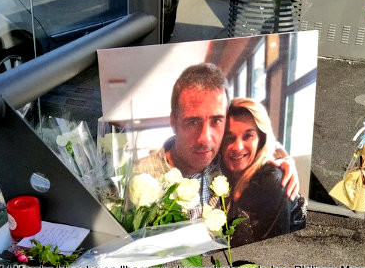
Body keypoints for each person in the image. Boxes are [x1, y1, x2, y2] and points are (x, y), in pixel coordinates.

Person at [132, 63, 300, 218]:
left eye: (216, 121)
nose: (205, 138)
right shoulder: (139, 177)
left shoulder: (226, 159)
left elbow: (258, 141)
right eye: (193, 122)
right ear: (173, 122)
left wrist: (283, 157)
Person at [221, 98, 307, 247]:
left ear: (260, 140)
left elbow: (275, 253)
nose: (238, 147)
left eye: (248, 136)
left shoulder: (271, 180)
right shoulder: (224, 170)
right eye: (230, 138)